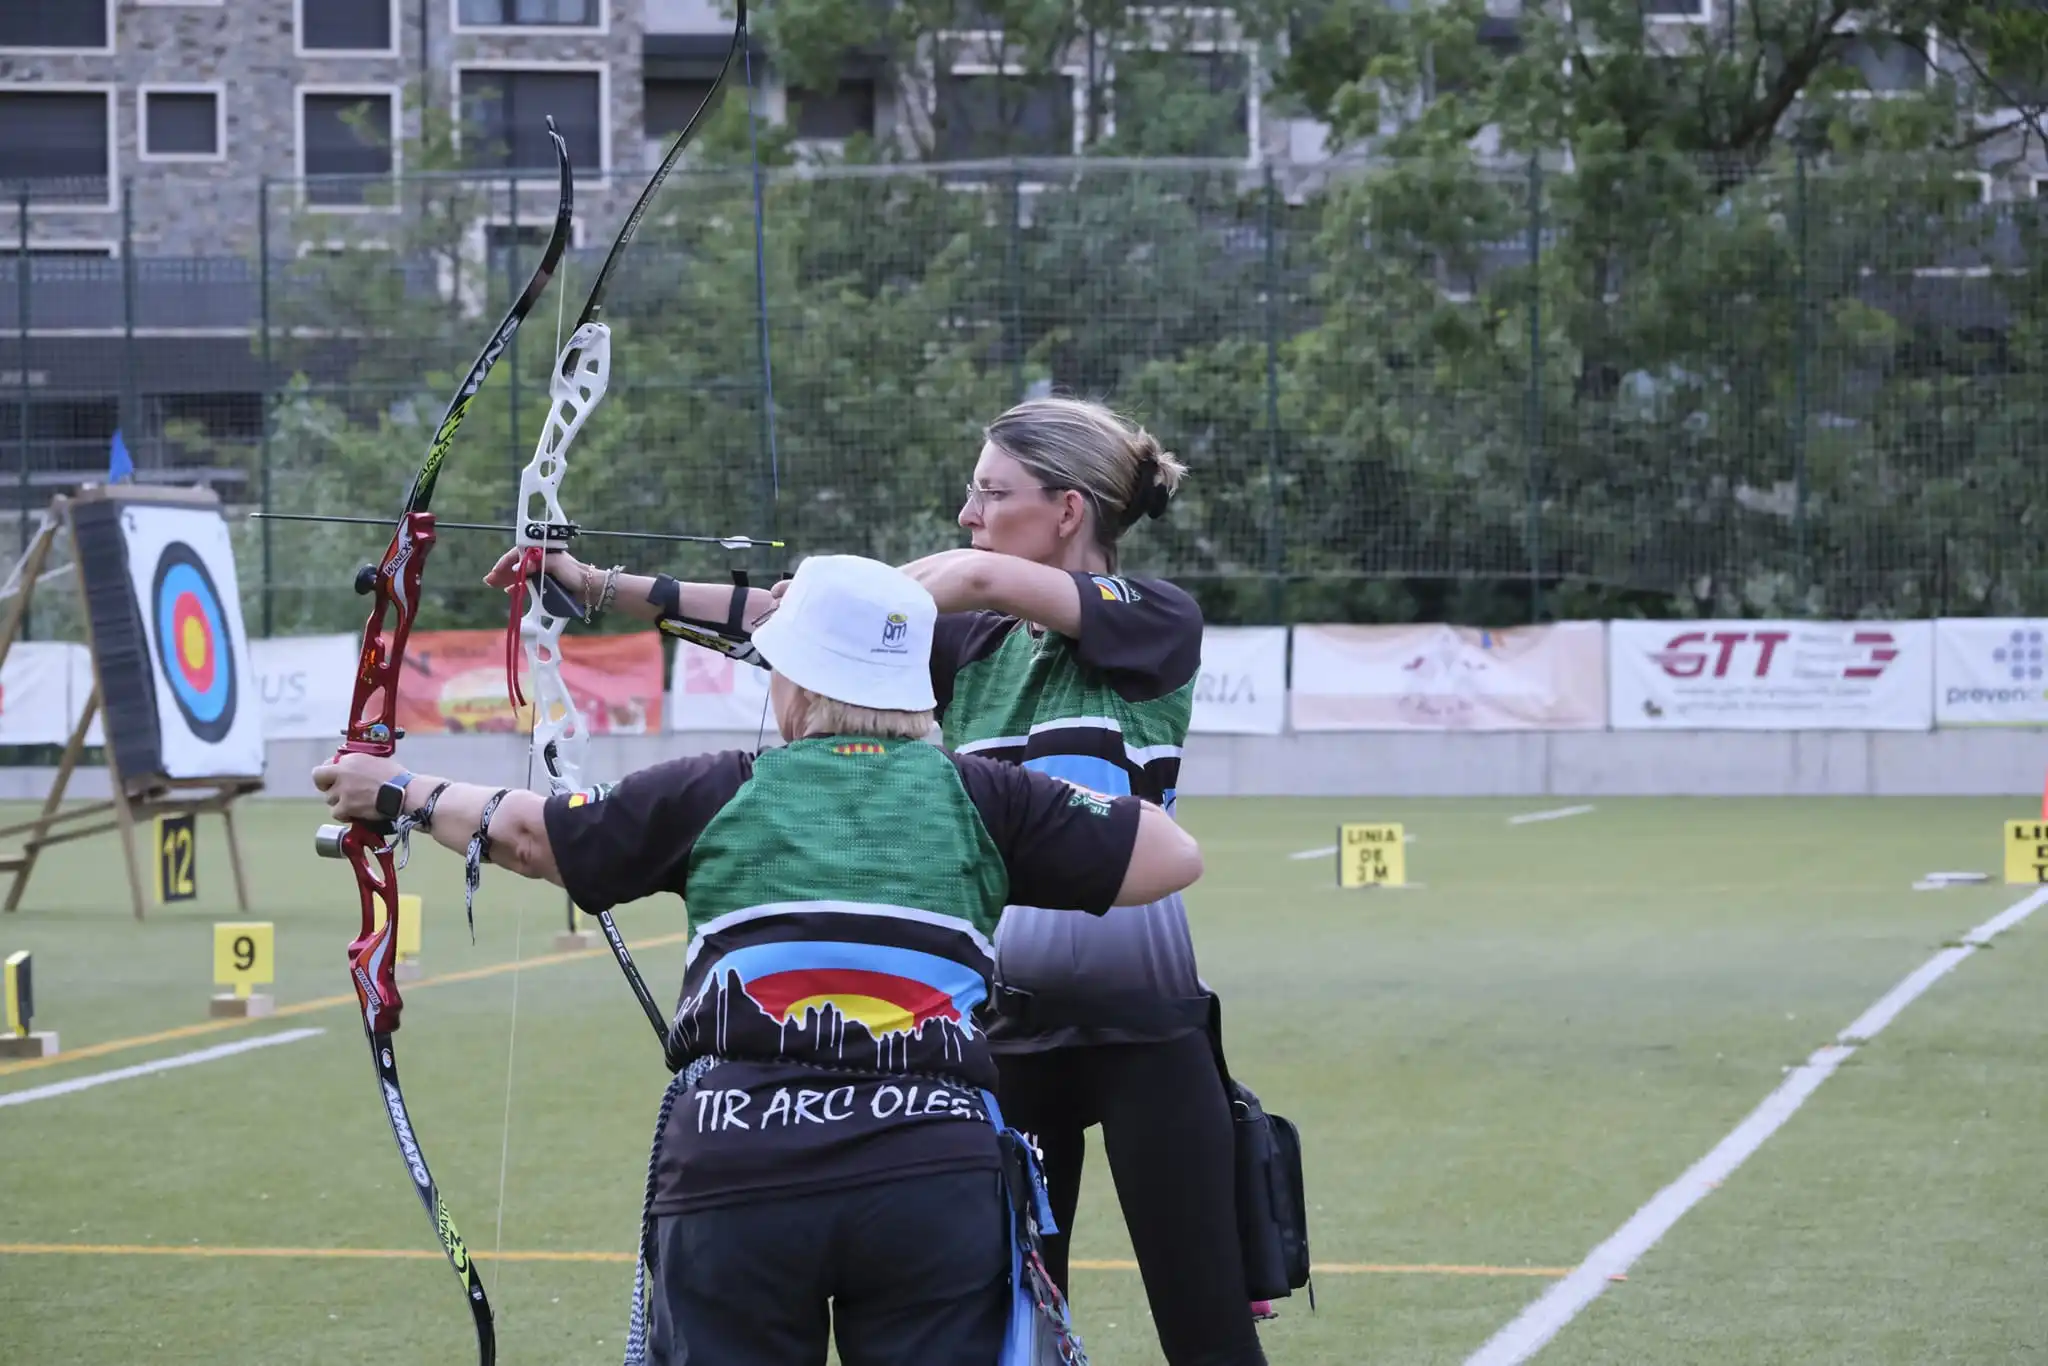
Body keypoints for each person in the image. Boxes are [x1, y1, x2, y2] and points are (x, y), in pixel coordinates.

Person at [487, 396, 1268, 1366]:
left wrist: (854, 609)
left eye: (989, 491)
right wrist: (593, 583)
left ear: (1067, 510)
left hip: (1147, 1029)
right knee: (1015, 1333)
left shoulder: (1152, 620)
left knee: (1209, 1337)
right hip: (999, 1034)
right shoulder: (962, 646)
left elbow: (975, 574)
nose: (965, 513)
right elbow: (789, 633)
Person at [312, 552, 1206, 1366]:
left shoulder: (715, 788)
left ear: (795, 682)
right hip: (931, 1175)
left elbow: (531, 834)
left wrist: (392, 789)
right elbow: (1173, 856)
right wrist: (1051, 806)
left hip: (739, 1170)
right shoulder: (986, 797)